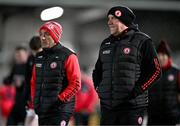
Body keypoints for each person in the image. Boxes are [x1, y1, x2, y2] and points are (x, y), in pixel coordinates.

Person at [92, 6, 161, 125]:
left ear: (123, 19)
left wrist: (137, 90)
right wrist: (99, 88)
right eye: (108, 18)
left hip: (132, 108)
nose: (109, 22)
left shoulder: (143, 41)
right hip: (107, 108)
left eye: (113, 18)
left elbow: (155, 71)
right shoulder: (106, 43)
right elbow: (97, 70)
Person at [29, 21, 81, 125]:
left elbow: (75, 83)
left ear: (55, 36)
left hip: (60, 110)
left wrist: (59, 100)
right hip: (43, 109)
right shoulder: (39, 57)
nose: (42, 38)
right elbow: (34, 82)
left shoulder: (68, 56)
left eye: (47, 34)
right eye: (41, 34)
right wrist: (36, 102)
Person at [148, 40, 180, 125]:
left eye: (164, 54)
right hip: (153, 117)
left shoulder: (176, 72)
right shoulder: (151, 72)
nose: (161, 57)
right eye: (159, 54)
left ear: (168, 56)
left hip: (171, 117)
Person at [4, 46, 29, 125]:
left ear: (26, 55)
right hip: (17, 101)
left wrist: (22, 84)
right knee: (10, 122)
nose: (18, 57)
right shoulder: (16, 67)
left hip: (27, 103)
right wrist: (7, 81)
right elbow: (9, 79)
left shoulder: (30, 66)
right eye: (17, 55)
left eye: (20, 55)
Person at [24, 36, 43, 106]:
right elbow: (27, 78)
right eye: (34, 52)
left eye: (37, 51)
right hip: (32, 93)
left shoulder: (47, 58)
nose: (36, 54)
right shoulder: (30, 59)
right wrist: (26, 96)